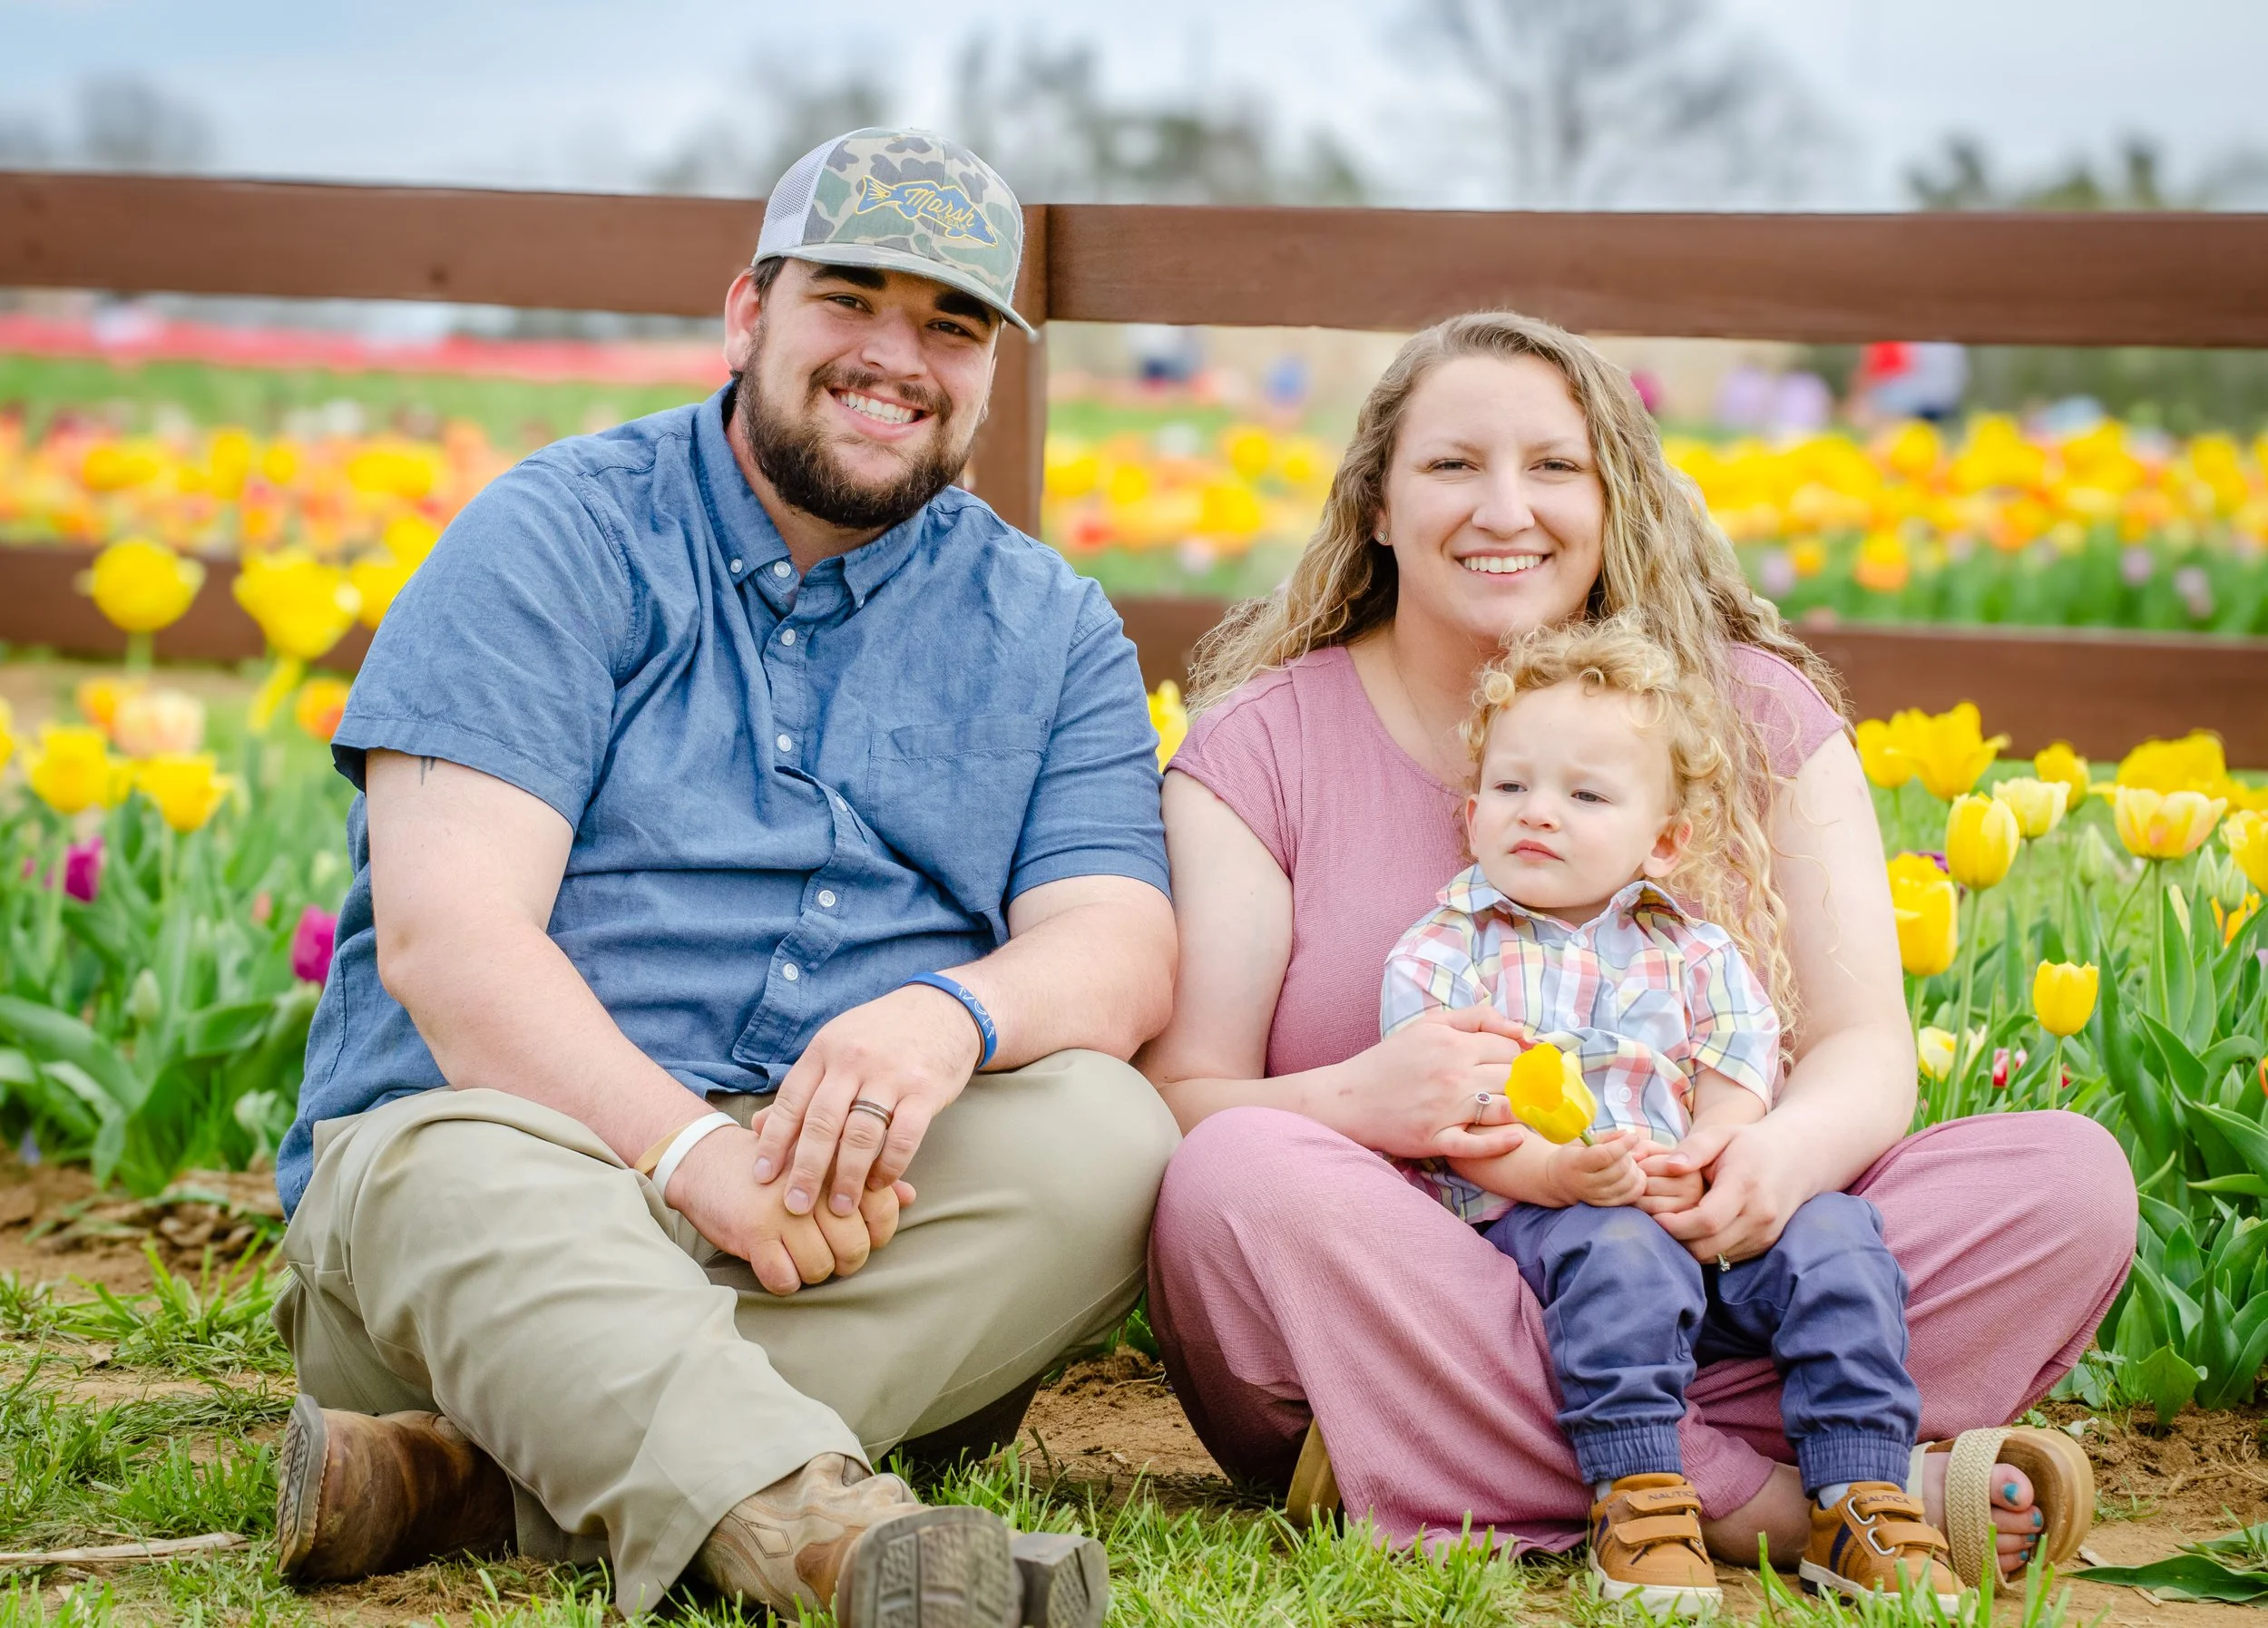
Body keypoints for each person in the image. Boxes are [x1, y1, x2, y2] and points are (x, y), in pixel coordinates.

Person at [268, 128, 1179, 1628]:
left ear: (992, 369)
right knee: (449, 1159)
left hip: (834, 1212)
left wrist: (942, 1019)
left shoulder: (1050, 624)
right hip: (529, 1181)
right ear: (748, 311)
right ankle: (817, 1540)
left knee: (1110, 1138)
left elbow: (1120, 944)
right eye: (850, 300)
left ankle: (478, 1474)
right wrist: (692, 1158)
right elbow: (452, 946)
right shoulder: (556, 535)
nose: (898, 357)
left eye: (952, 323)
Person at [1140, 308, 2125, 1591]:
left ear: (1618, 494)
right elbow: (1181, 1106)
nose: (1508, 508)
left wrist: (1773, 1154)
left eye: (1556, 465)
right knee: (1239, 1172)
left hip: (1724, 1272)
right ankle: (1806, 1493)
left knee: (2068, 1177)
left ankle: (1477, 1460)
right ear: (1377, 504)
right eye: (1452, 464)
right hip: (1422, 1277)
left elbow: (1865, 1048)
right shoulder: (1263, 743)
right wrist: (1357, 1100)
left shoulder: (1758, 710)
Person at [1391, 618, 1957, 1613]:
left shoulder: (1694, 950)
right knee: (1616, 1248)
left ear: (1663, 839)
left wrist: (1716, 1151)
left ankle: (1856, 1489)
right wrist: (1557, 1174)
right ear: (1472, 808)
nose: (1539, 813)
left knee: (1837, 1232)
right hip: (1551, 1228)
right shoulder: (1444, 952)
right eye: (1512, 786)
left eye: (1585, 794)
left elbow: (1738, 1060)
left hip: (1699, 1216)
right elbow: (1462, 1115)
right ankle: (1639, 1489)